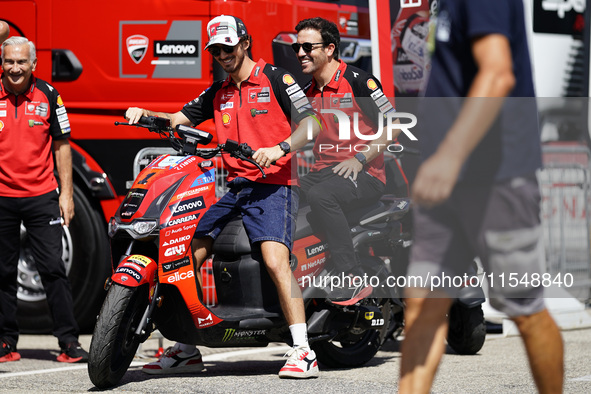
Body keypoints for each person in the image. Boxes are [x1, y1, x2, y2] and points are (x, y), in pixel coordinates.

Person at [125, 15, 321, 379]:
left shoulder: (278, 79)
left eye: (228, 47)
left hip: (274, 185)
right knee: (183, 253)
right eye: (216, 49)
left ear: (245, 42)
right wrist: (145, 114)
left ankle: (303, 350)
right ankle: (186, 347)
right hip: (236, 189)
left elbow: (312, 123)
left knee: (275, 260)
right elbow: (176, 118)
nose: (222, 55)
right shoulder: (218, 90)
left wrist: (279, 149)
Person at [399, 1, 564, 393]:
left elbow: (497, 72)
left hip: (495, 179)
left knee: (523, 308)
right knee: (424, 307)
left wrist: (450, 157)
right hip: (443, 182)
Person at [288, 17, 397, 301]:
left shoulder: (359, 81)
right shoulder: (307, 91)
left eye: (307, 47)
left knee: (322, 195)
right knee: (284, 194)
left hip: (366, 175)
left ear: (330, 48)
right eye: (296, 47)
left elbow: (393, 125)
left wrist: (360, 159)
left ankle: (350, 275)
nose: (300, 53)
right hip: (326, 173)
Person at [0, 37, 89, 363]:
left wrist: (66, 194)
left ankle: (68, 342)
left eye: (21, 62)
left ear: (33, 65)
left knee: (53, 270)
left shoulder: (50, 96)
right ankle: (6, 342)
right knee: (3, 272)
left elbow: (62, 146)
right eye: (9, 61)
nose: (15, 68)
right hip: (2, 198)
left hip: (41, 197)